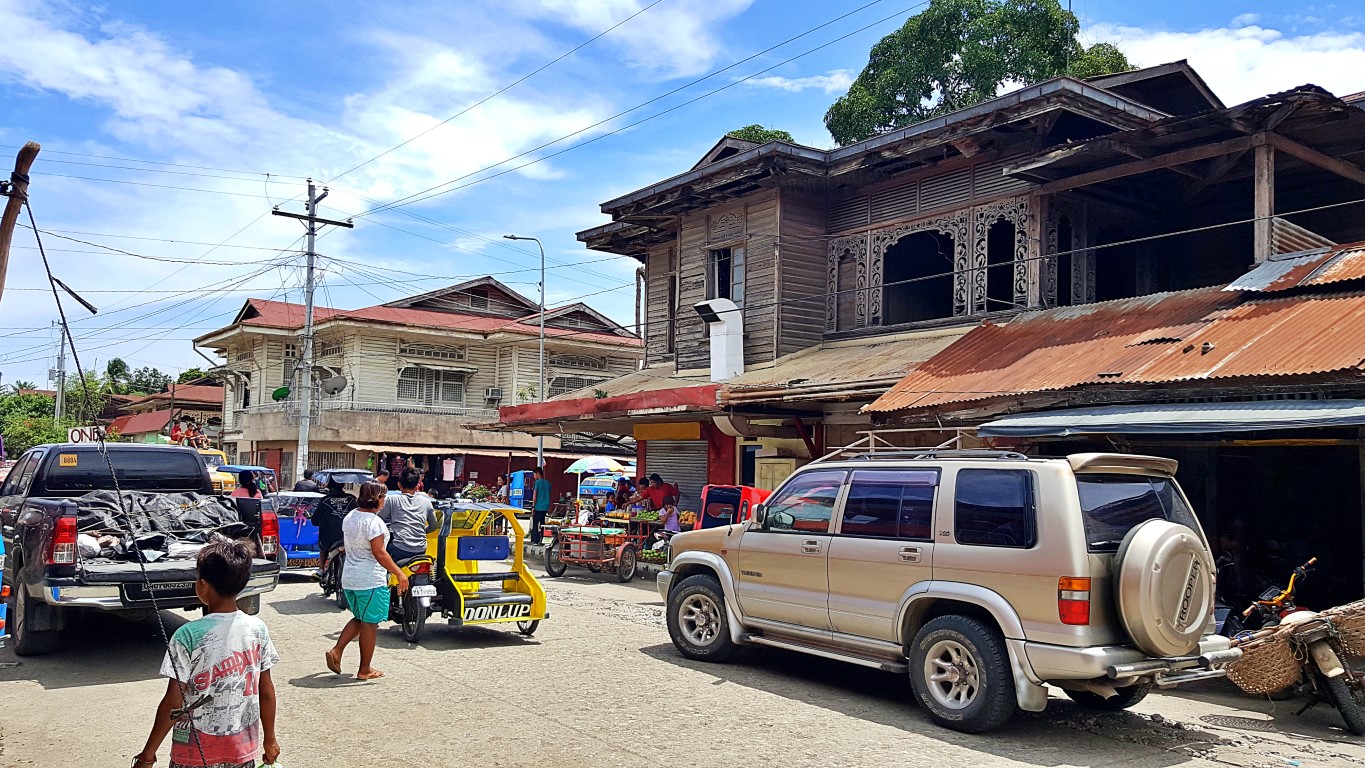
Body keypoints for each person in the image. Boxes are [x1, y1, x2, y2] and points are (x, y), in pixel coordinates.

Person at [133, 539, 280, 768]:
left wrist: (148, 754)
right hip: (242, 751)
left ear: (203, 585)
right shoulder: (257, 629)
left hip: (192, 754)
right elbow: (266, 690)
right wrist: (270, 740)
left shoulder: (187, 635)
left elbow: (174, 699)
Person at [326, 482, 408, 681]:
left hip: (351, 578)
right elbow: (379, 552)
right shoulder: (374, 522)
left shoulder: (351, 517)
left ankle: (337, 651)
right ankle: (364, 669)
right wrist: (399, 573)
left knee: (361, 618)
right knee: (370, 623)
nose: (384, 501)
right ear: (375, 498)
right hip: (370, 578)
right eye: (383, 497)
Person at [378, 468, 438, 562]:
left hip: (399, 549)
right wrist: (422, 530)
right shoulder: (426, 502)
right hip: (421, 549)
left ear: (399, 485)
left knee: (379, 555)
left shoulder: (392, 500)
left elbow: (379, 518)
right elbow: (434, 526)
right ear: (417, 485)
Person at [313, 477, 357, 568]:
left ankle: (321, 569)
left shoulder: (325, 500)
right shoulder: (352, 499)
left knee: (323, 548)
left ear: (329, 486)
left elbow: (315, 521)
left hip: (328, 539)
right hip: (349, 537)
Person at [528, 466, 552, 544]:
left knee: (535, 524)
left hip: (538, 506)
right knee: (542, 524)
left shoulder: (537, 483)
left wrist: (533, 506)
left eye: (534, 475)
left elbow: (535, 495)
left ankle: (535, 540)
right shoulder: (548, 483)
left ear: (538, 474)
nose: (534, 477)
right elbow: (549, 494)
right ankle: (543, 539)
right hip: (545, 507)